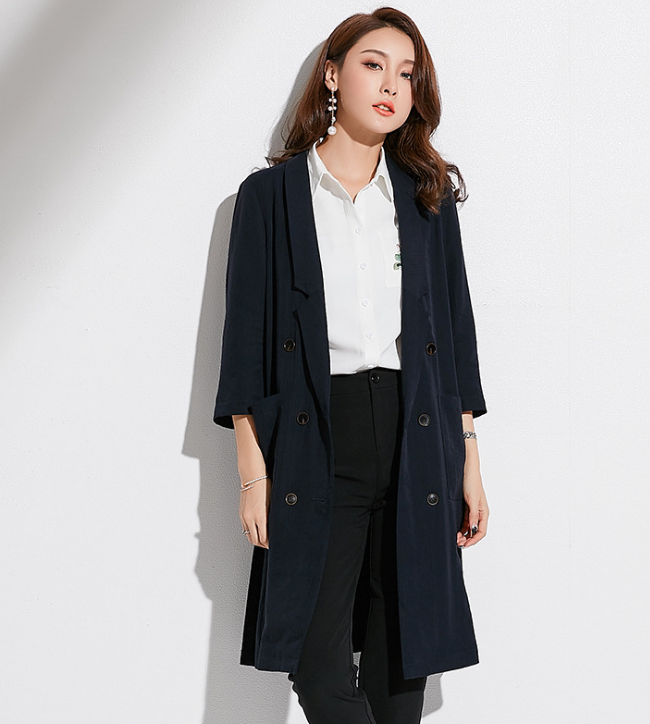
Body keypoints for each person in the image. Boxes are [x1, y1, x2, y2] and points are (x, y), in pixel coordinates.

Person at [213, 7, 490, 724]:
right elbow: (244, 348)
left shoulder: (427, 199)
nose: (392, 85)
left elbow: (455, 337)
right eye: (374, 65)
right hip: (314, 438)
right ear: (333, 75)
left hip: (415, 435)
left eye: (407, 73)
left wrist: (468, 459)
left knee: (402, 663)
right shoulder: (269, 199)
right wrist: (253, 473)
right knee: (317, 663)